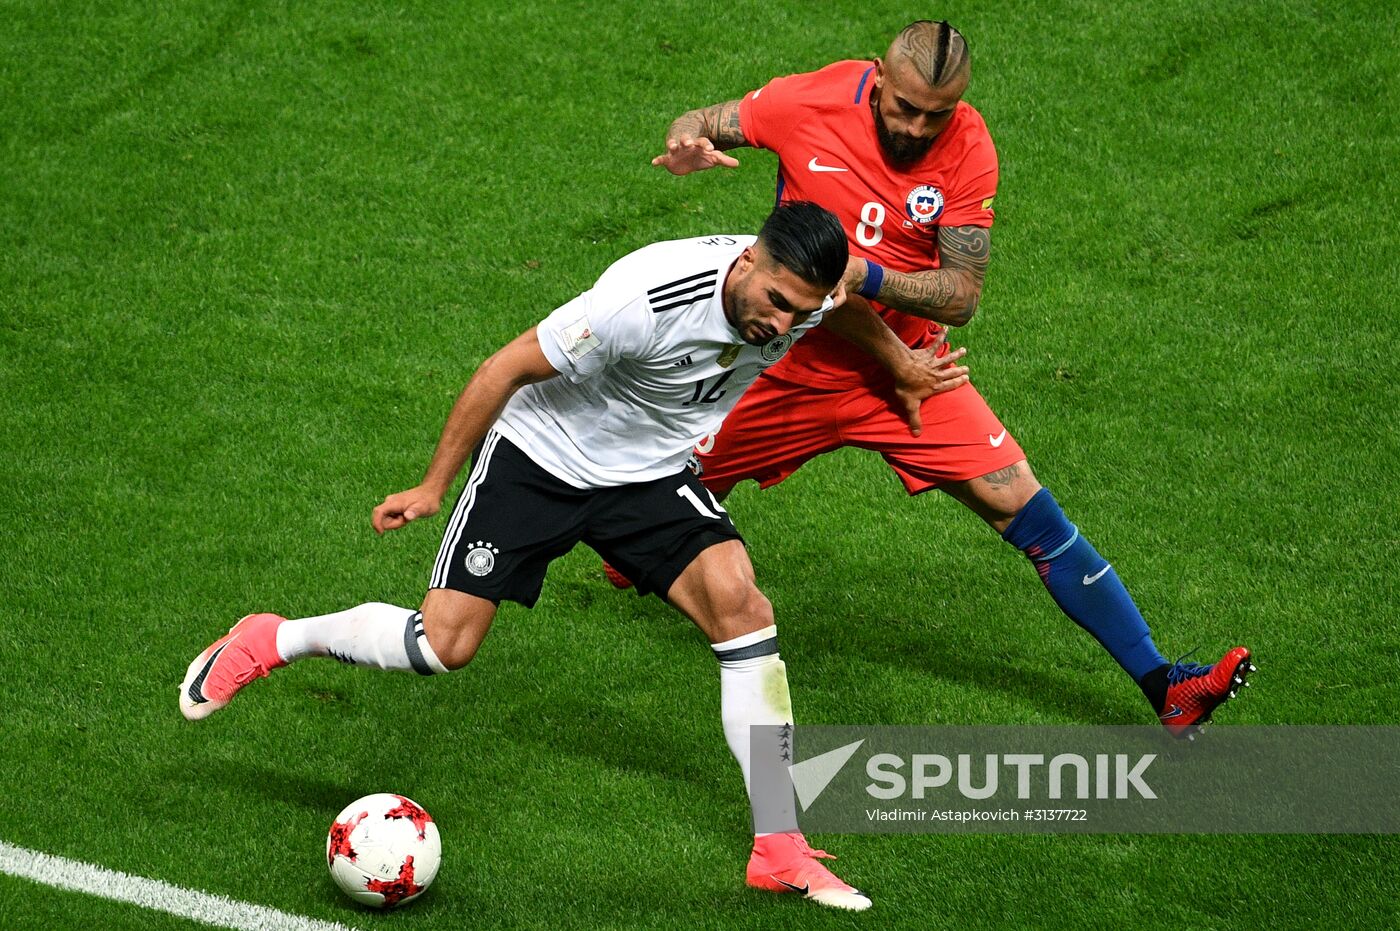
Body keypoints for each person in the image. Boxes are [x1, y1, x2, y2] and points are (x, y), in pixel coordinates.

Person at [178, 202, 969, 911]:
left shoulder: (808, 296)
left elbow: (845, 309)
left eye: (797, 311)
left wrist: (899, 363)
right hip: (541, 457)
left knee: (743, 607)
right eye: (773, 302)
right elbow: (505, 367)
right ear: (749, 260)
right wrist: (432, 483)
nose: (779, 323)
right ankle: (273, 637)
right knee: (442, 646)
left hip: (648, 474)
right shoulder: (644, 298)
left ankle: (779, 847)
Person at [641, 20, 1254, 737]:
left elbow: (961, 295)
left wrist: (868, 276)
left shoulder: (969, 147)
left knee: (1026, 507)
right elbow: (709, 118)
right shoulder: (809, 100)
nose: (916, 126)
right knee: (648, 490)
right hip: (786, 364)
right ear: (877, 76)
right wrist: (688, 138)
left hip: (913, 374)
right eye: (903, 106)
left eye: (938, 113)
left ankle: (1165, 686)